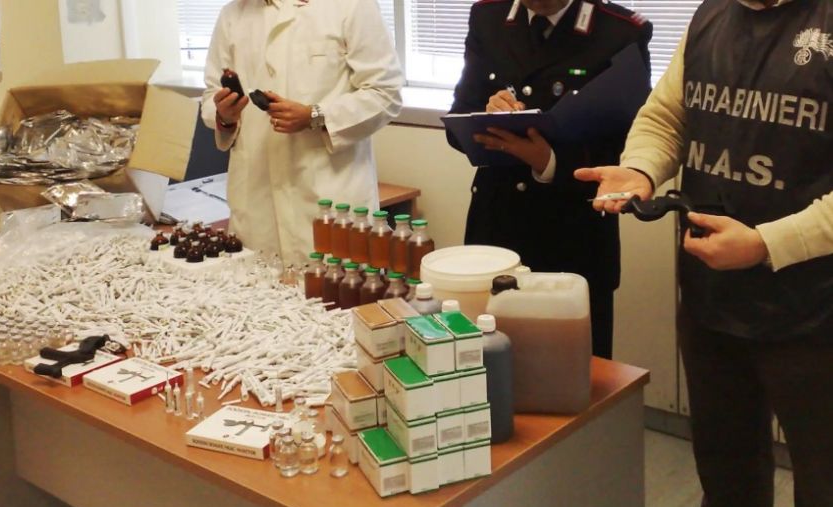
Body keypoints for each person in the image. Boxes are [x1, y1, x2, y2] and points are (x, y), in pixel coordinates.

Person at [575, 0, 833, 507]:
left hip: (815, 313)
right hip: (713, 302)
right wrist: (641, 169)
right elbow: (667, 118)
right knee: (728, 481)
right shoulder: (710, 16)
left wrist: (766, 243)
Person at [446, 0, 652, 359]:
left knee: (577, 375)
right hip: (497, 227)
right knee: (486, 367)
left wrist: (549, 161)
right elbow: (457, 120)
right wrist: (488, 111)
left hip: (574, 239)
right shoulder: (489, 17)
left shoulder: (620, 31)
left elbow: (631, 149)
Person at [201, 0, 404, 263]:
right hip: (257, 201)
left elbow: (385, 94)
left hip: (329, 193)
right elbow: (211, 94)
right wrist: (224, 116)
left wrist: (314, 116)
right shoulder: (233, 14)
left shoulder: (352, 6)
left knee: (338, 283)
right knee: (257, 283)